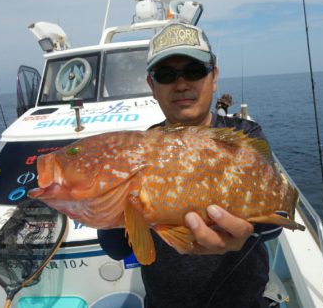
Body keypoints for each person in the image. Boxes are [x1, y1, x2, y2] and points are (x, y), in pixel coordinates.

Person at [97, 22, 282, 308]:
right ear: (152, 86)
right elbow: (116, 249)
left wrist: (246, 232)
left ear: (214, 76)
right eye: (166, 74)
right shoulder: (136, 152)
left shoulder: (244, 137)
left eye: (194, 71)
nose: (181, 84)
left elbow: (276, 222)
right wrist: (107, 201)